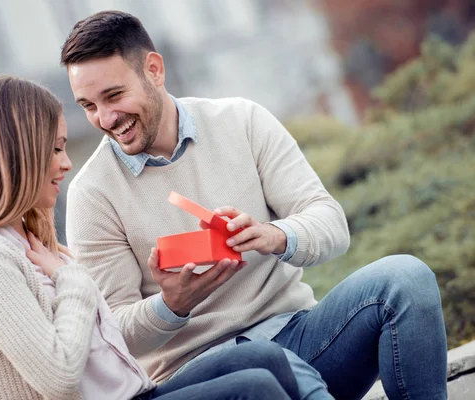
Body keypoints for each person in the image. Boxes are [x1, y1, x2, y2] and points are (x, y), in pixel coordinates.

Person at [61, 10, 448, 400]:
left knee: (406, 278)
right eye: (88, 106)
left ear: (154, 70)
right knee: (261, 362)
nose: (106, 118)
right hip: (207, 375)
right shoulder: (92, 195)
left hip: (300, 337)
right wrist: (171, 305)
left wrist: (274, 235)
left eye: (114, 95)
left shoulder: (241, 121)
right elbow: (113, 335)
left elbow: (330, 223)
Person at [0, 75, 304, 400]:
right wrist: (72, 280)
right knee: (254, 389)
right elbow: (57, 376)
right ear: (18, 153)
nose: (66, 162)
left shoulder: (27, 240)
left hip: (136, 391)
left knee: (267, 358)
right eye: (55, 148)